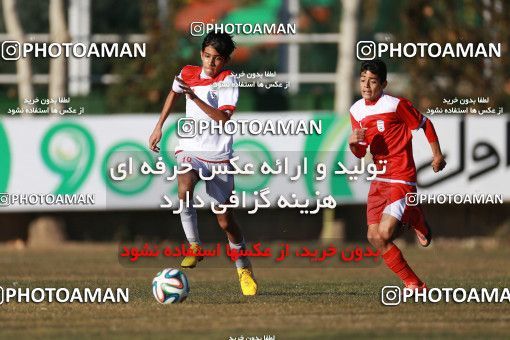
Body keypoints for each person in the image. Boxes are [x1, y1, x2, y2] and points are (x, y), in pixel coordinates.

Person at [148, 32, 257, 296]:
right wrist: (159, 126)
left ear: (225, 60)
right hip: (191, 149)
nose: (211, 63)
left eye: (217, 59)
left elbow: (223, 119)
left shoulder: (228, 81)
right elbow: (173, 94)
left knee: (225, 221)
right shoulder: (187, 72)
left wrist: (195, 99)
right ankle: (194, 246)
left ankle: (243, 268)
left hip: (219, 156)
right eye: (207, 56)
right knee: (184, 186)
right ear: (201, 55)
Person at [349, 59, 446, 291]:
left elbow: (425, 123)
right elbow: (361, 151)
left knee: (385, 232)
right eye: (363, 80)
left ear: (383, 83)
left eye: (372, 81)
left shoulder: (395, 104)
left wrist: (437, 155)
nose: (366, 86)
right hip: (379, 178)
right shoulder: (356, 110)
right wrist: (354, 144)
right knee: (374, 237)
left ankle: (414, 216)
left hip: (401, 176)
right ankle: (414, 283)